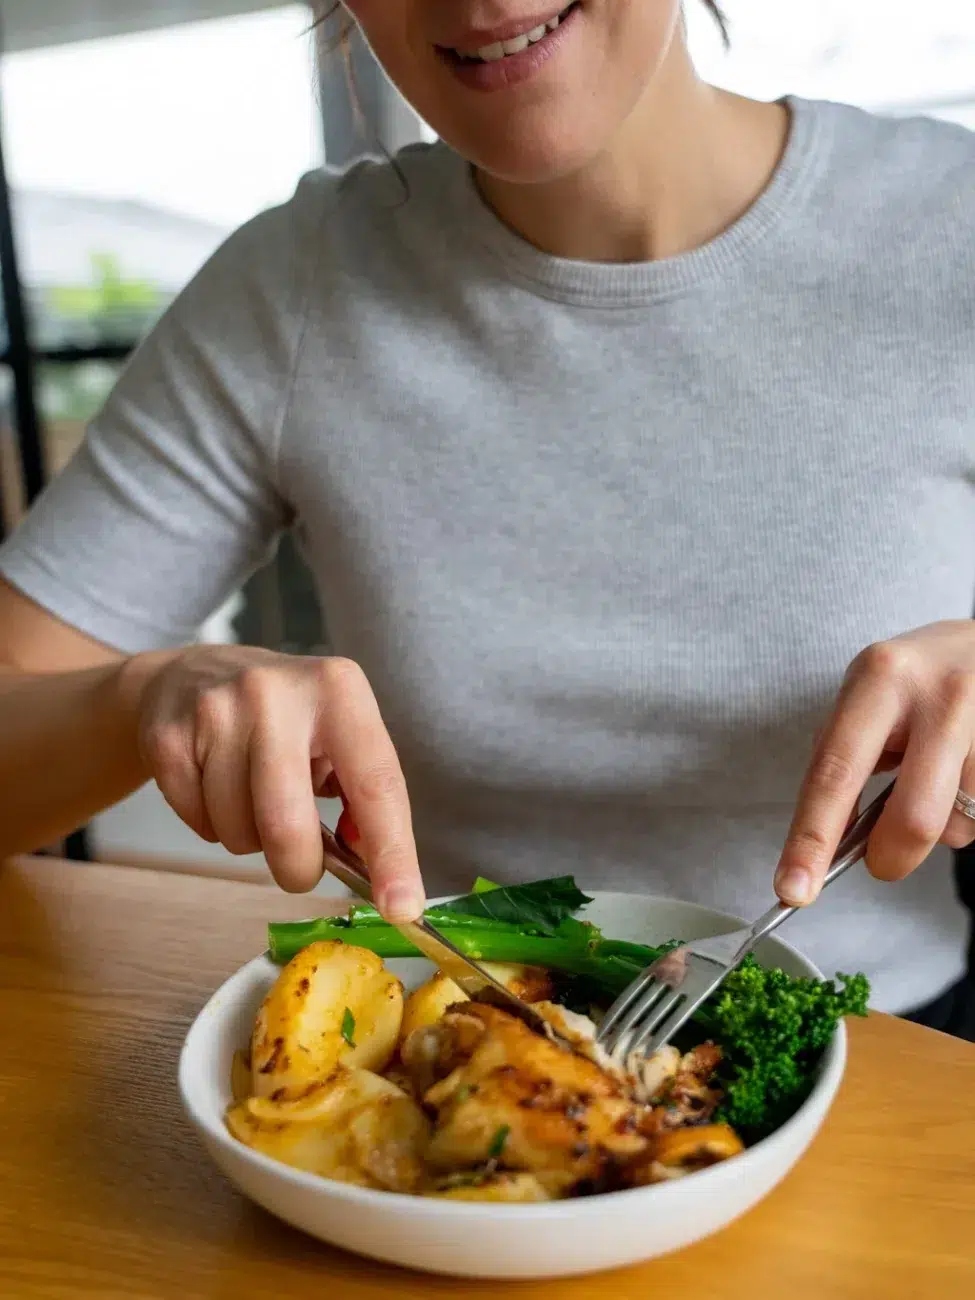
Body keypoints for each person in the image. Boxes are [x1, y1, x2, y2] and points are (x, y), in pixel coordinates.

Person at [1, 0, 974, 1035]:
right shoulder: (297, 286)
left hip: (911, 1067)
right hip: (449, 1064)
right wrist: (146, 695)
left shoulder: (948, 227)